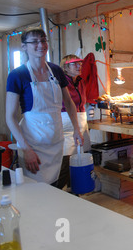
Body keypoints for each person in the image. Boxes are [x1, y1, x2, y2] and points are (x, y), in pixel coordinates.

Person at [5, 28, 83, 186]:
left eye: (43, 40)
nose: (40, 44)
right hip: (33, 144)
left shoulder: (56, 71)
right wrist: (26, 149)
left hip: (56, 142)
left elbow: (68, 102)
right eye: (34, 41)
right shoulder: (17, 75)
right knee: (36, 191)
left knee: (55, 186)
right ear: (24, 47)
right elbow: (10, 117)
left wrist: (76, 129)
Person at [56, 54, 92, 189]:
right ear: (65, 67)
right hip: (66, 122)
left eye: (80, 64)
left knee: (80, 158)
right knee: (67, 160)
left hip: (81, 119)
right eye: (75, 64)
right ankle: (56, 192)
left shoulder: (81, 81)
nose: (79, 66)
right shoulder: (61, 82)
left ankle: (75, 190)